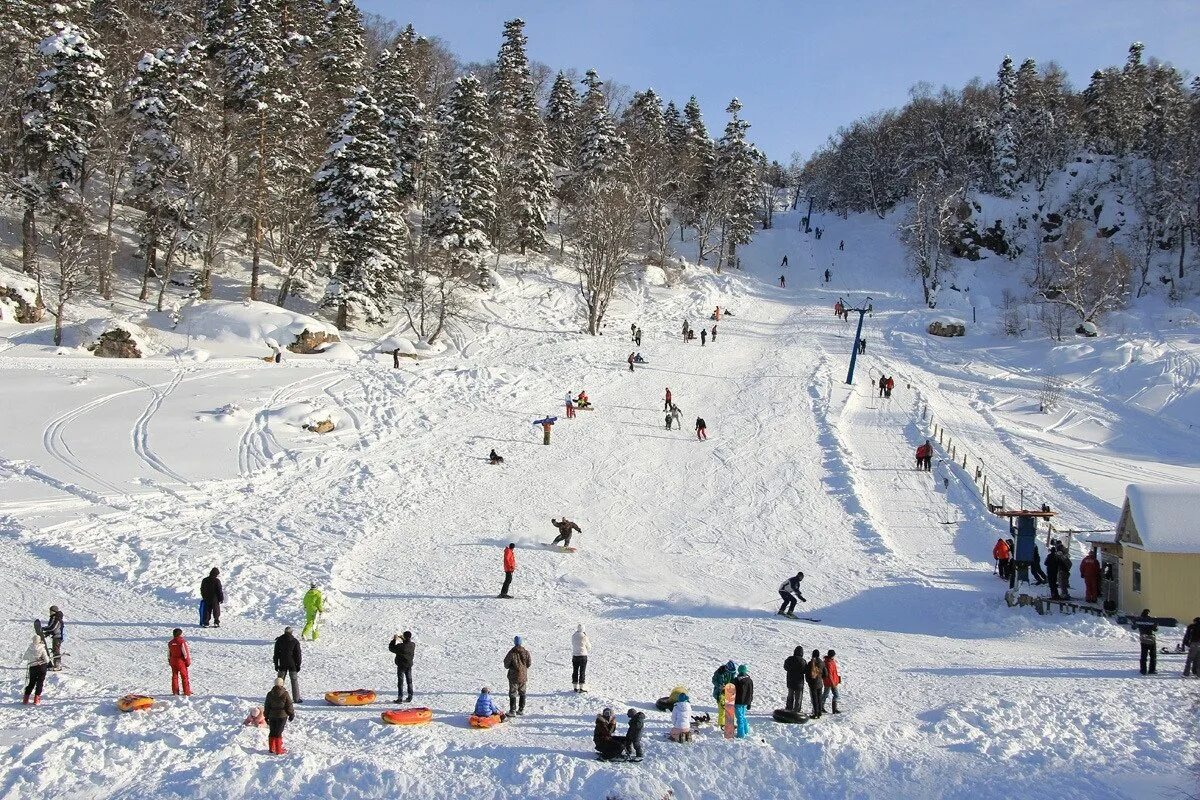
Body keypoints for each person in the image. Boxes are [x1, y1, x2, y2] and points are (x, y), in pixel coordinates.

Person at [264, 676, 295, 755]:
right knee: (278, 732)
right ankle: (278, 750)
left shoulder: (270, 694)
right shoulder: (285, 693)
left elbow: (267, 706)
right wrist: (291, 714)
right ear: (282, 684)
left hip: (272, 716)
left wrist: (266, 716)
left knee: (272, 731)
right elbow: (289, 705)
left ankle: (271, 748)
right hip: (282, 716)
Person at [273, 626, 302, 703]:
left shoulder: (279, 640)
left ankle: (277, 697)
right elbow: (298, 655)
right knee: (294, 680)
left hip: (282, 663)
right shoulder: (295, 641)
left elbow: (276, 654)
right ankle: (296, 698)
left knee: (280, 681)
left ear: (284, 632)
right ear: (291, 632)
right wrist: (298, 665)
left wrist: (276, 664)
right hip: (292, 664)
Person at [504, 635, 532, 715]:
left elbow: (506, 664)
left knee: (513, 693)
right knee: (522, 692)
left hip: (513, 677)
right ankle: (521, 709)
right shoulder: (526, 652)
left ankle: (512, 711)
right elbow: (529, 664)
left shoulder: (511, 653)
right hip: (523, 676)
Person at [22, 627, 50, 705]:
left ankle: (26, 699)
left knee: (31, 682)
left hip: (33, 667)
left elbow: (24, 657)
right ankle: (36, 699)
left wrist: (31, 657)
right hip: (41, 667)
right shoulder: (42, 648)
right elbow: (47, 660)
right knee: (40, 682)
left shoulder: (29, 648)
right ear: (40, 641)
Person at [389, 631, 415, 703]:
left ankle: (400, 698)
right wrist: (403, 639)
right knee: (409, 681)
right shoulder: (413, 645)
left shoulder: (400, 646)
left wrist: (394, 639)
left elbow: (391, 648)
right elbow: (407, 643)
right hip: (409, 665)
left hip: (401, 666)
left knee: (400, 682)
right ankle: (410, 696)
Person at [711, 661, 736, 728]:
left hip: (728, 692)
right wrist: (720, 686)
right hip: (719, 693)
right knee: (722, 709)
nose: (732, 674)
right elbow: (713, 680)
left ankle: (729, 723)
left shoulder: (732, 673)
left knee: (729, 709)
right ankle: (721, 724)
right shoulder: (719, 673)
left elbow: (733, 680)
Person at [168, 627, 192, 696]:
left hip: (173, 660)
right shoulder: (182, 642)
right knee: (184, 676)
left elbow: (168, 653)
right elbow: (185, 653)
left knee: (174, 676)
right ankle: (186, 692)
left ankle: (175, 691)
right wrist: (187, 662)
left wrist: (170, 661)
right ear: (180, 634)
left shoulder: (170, 643)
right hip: (180, 661)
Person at [783, 646, 807, 713]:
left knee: (790, 695)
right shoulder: (803, 661)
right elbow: (805, 671)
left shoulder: (789, 659)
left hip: (790, 681)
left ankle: (788, 708)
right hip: (799, 682)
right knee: (798, 697)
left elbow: (785, 667)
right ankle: (797, 710)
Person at [1134, 610, 1157, 675]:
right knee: (1153, 655)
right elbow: (1155, 629)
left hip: (1143, 639)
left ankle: (1143, 670)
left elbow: (1134, 627)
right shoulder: (1151, 620)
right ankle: (1152, 670)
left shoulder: (1139, 620)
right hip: (1151, 639)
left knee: (1143, 655)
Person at [733, 665, 753, 739]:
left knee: (739, 718)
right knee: (743, 716)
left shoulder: (736, 680)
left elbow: (732, 691)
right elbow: (751, 692)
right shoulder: (750, 680)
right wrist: (749, 702)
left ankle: (740, 734)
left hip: (738, 702)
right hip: (745, 702)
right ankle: (746, 730)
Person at [805, 648, 825, 718]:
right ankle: (819, 712)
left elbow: (807, 674)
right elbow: (826, 674)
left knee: (814, 699)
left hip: (812, 684)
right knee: (819, 698)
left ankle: (815, 713)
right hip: (820, 683)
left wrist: (808, 681)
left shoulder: (810, 663)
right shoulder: (822, 663)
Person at [43, 605, 63, 670]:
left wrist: (43, 628)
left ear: (53, 611)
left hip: (58, 637)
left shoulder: (56, 618)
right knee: (55, 650)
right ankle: (56, 665)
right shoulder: (54, 617)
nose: (50, 612)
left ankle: (58, 665)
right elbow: (53, 629)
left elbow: (52, 627)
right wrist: (47, 633)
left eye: (51, 611)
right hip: (56, 636)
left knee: (56, 650)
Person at [821, 650, 841, 714]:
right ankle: (834, 709)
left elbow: (835, 672)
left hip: (833, 681)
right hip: (830, 682)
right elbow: (829, 674)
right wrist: (833, 683)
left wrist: (838, 678)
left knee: (826, 694)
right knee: (836, 695)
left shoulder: (832, 661)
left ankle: (821, 707)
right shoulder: (828, 663)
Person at [571, 624, 590, 692]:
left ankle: (575, 687)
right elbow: (589, 646)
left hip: (575, 655)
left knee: (575, 671)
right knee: (582, 671)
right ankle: (581, 687)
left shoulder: (573, 636)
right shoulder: (584, 636)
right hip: (583, 656)